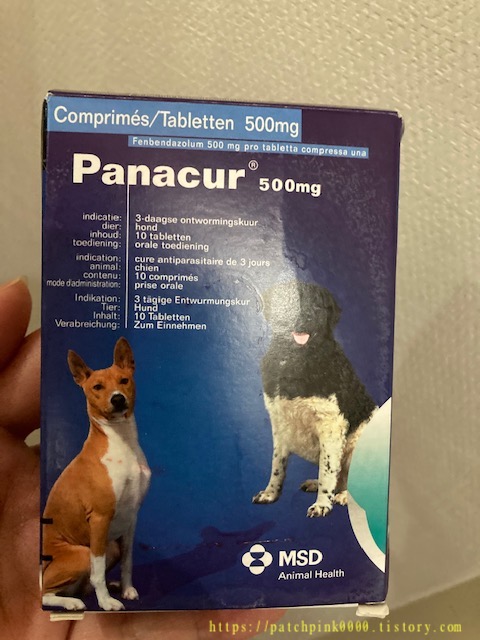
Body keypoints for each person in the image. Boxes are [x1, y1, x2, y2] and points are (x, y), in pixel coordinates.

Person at [0, 278, 282, 639]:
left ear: (130, 370)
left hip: (94, 553)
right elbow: (98, 524)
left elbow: (126, 522)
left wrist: (127, 582)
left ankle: (123, 581)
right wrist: (99, 593)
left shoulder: (137, 463)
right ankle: (67, 594)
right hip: (64, 557)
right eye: (99, 387)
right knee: (94, 541)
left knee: (120, 536)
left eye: (122, 381)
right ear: (82, 383)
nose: (115, 393)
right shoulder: (96, 464)